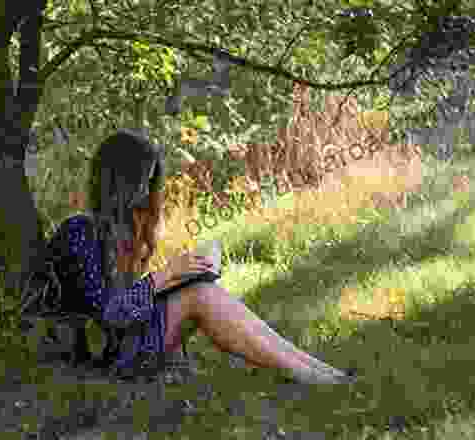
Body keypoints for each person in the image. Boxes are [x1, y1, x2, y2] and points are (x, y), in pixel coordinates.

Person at [26, 129, 356, 385]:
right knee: (199, 294)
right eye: (142, 182)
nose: (146, 193)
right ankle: (312, 375)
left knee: (201, 289)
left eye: (150, 182)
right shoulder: (79, 231)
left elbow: (124, 304)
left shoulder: (121, 234)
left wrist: (176, 274)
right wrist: (166, 276)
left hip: (121, 345)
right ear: (121, 182)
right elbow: (109, 314)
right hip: (101, 357)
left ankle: (319, 371)